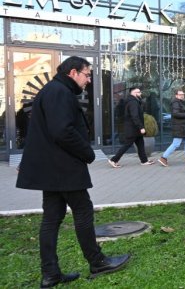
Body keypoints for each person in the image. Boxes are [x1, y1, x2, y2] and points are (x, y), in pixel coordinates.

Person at [16, 56, 130, 288]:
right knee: (82, 210)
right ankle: (97, 262)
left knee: (51, 218)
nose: (89, 80)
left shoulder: (53, 90)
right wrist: (88, 153)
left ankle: (50, 274)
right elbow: (62, 131)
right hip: (63, 167)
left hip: (52, 167)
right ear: (73, 72)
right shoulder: (59, 91)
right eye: (87, 74)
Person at [108, 87, 155, 167]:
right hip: (133, 129)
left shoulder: (135, 101)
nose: (140, 93)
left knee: (140, 144)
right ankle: (113, 159)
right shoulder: (133, 102)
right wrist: (141, 127)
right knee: (127, 145)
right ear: (134, 93)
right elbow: (135, 116)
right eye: (139, 92)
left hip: (135, 129)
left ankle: (144, 161)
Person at [158, 89, 185, 166]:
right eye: (180, 95)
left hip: (183, 126)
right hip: (179, 127)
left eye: (183, 94)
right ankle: (163, 158)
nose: (182, 96)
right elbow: (175, 114)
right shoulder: (175, 102)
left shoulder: (180, 102)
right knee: (176, 144)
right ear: (176, 95)